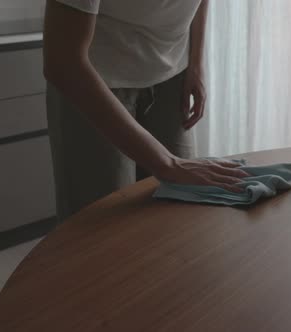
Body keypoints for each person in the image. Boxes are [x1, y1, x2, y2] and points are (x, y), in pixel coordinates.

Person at [43, 0, 248, 221]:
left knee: (181, 209)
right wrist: (167, 163)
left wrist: (196, 64)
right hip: (98, 80)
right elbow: (62, 62)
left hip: (172, 74)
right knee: (102, 223)